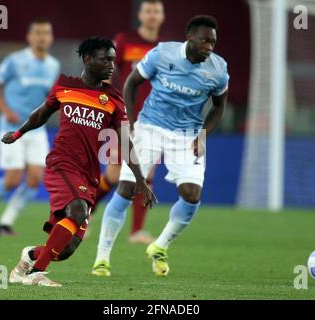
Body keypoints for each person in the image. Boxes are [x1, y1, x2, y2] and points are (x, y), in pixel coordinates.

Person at [3, 37, 156, 287]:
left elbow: (127, 142)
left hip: (88, 174)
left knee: (66, 247)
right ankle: (34, 274)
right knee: (77, 211)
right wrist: (19, 133)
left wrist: (141, 180)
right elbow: (42, 113)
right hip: (61, 164)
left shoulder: (115, 100)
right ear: (88, 59)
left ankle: (29, 258)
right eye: (105, 59)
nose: (111, 65)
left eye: (113, 60)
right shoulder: (65, 85)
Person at [92, 15, 229, 277]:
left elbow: (219, 106)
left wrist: (202, 135)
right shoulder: (163, 54)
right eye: (204, 41)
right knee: (126, 188)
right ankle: (102, 258)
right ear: (189, 37)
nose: (209, 47)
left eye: (212, 42)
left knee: (191, 196)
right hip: (150, 127)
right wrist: (131, 122)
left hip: (187, 134)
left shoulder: (218, 69)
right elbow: (132, 82)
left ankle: (160, 246)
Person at [0, 18, 60, 236]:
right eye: (38, 33)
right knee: (12, 179)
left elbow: (50, 98)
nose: (42, 37)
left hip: (36, 129)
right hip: (11, 127)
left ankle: (5, 224)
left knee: (35, 178)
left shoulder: (53, 65)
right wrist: (5, 109)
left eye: (46, 33)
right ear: (29, 37)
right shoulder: (14, 60)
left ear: (51, 38)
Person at [94, 0, 165, 244]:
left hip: (153, 121)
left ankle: (136, 231)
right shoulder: (124, 41)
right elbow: (107, 74)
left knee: (145, 175)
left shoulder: (165, 49)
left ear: (162, 16)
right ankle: (86, 213)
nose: (152, 15)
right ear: (140, 14)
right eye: (148, 10)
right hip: (123, 117)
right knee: (113, 175)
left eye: (156, 10)